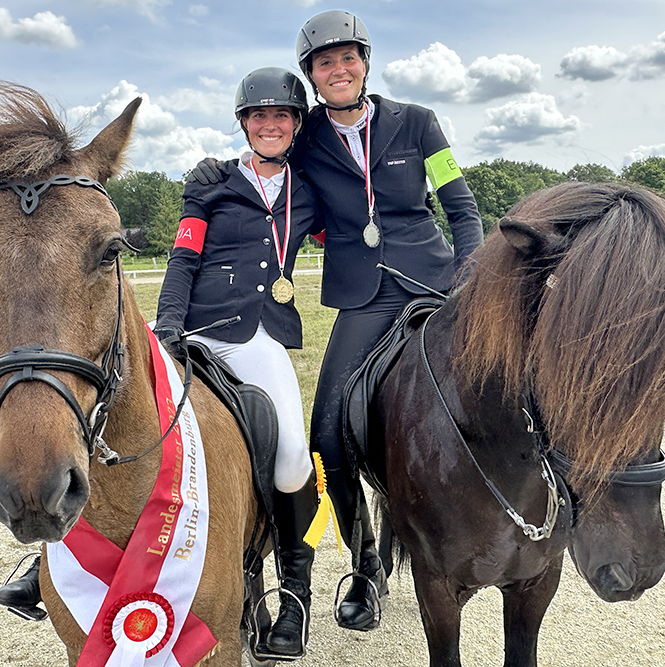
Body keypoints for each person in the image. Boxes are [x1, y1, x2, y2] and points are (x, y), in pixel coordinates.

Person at [191, 10, 484, 632]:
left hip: (433, 283)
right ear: (313, 77)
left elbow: (460, 205)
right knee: (327, 436)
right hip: (362, 296)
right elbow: (261, 157)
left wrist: (469, 280)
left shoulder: (420, 124)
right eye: (325, 63)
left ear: (365, 63)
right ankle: (365, 561)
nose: (339, 69)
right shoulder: (307, 137)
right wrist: (214, 173)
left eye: (348, 58)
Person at [155, 67, 324, 660]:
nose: (270, 124)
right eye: (259, 116)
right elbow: (182, 256)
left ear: (297, 124)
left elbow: (345, 232)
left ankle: (296, 593)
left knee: (292, 462)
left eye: (282, 116)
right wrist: (168, 325)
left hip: (259, 336)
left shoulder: (311, 189)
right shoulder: (212, 185)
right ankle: (48, 560)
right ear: (244, 124)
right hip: (195, 326)